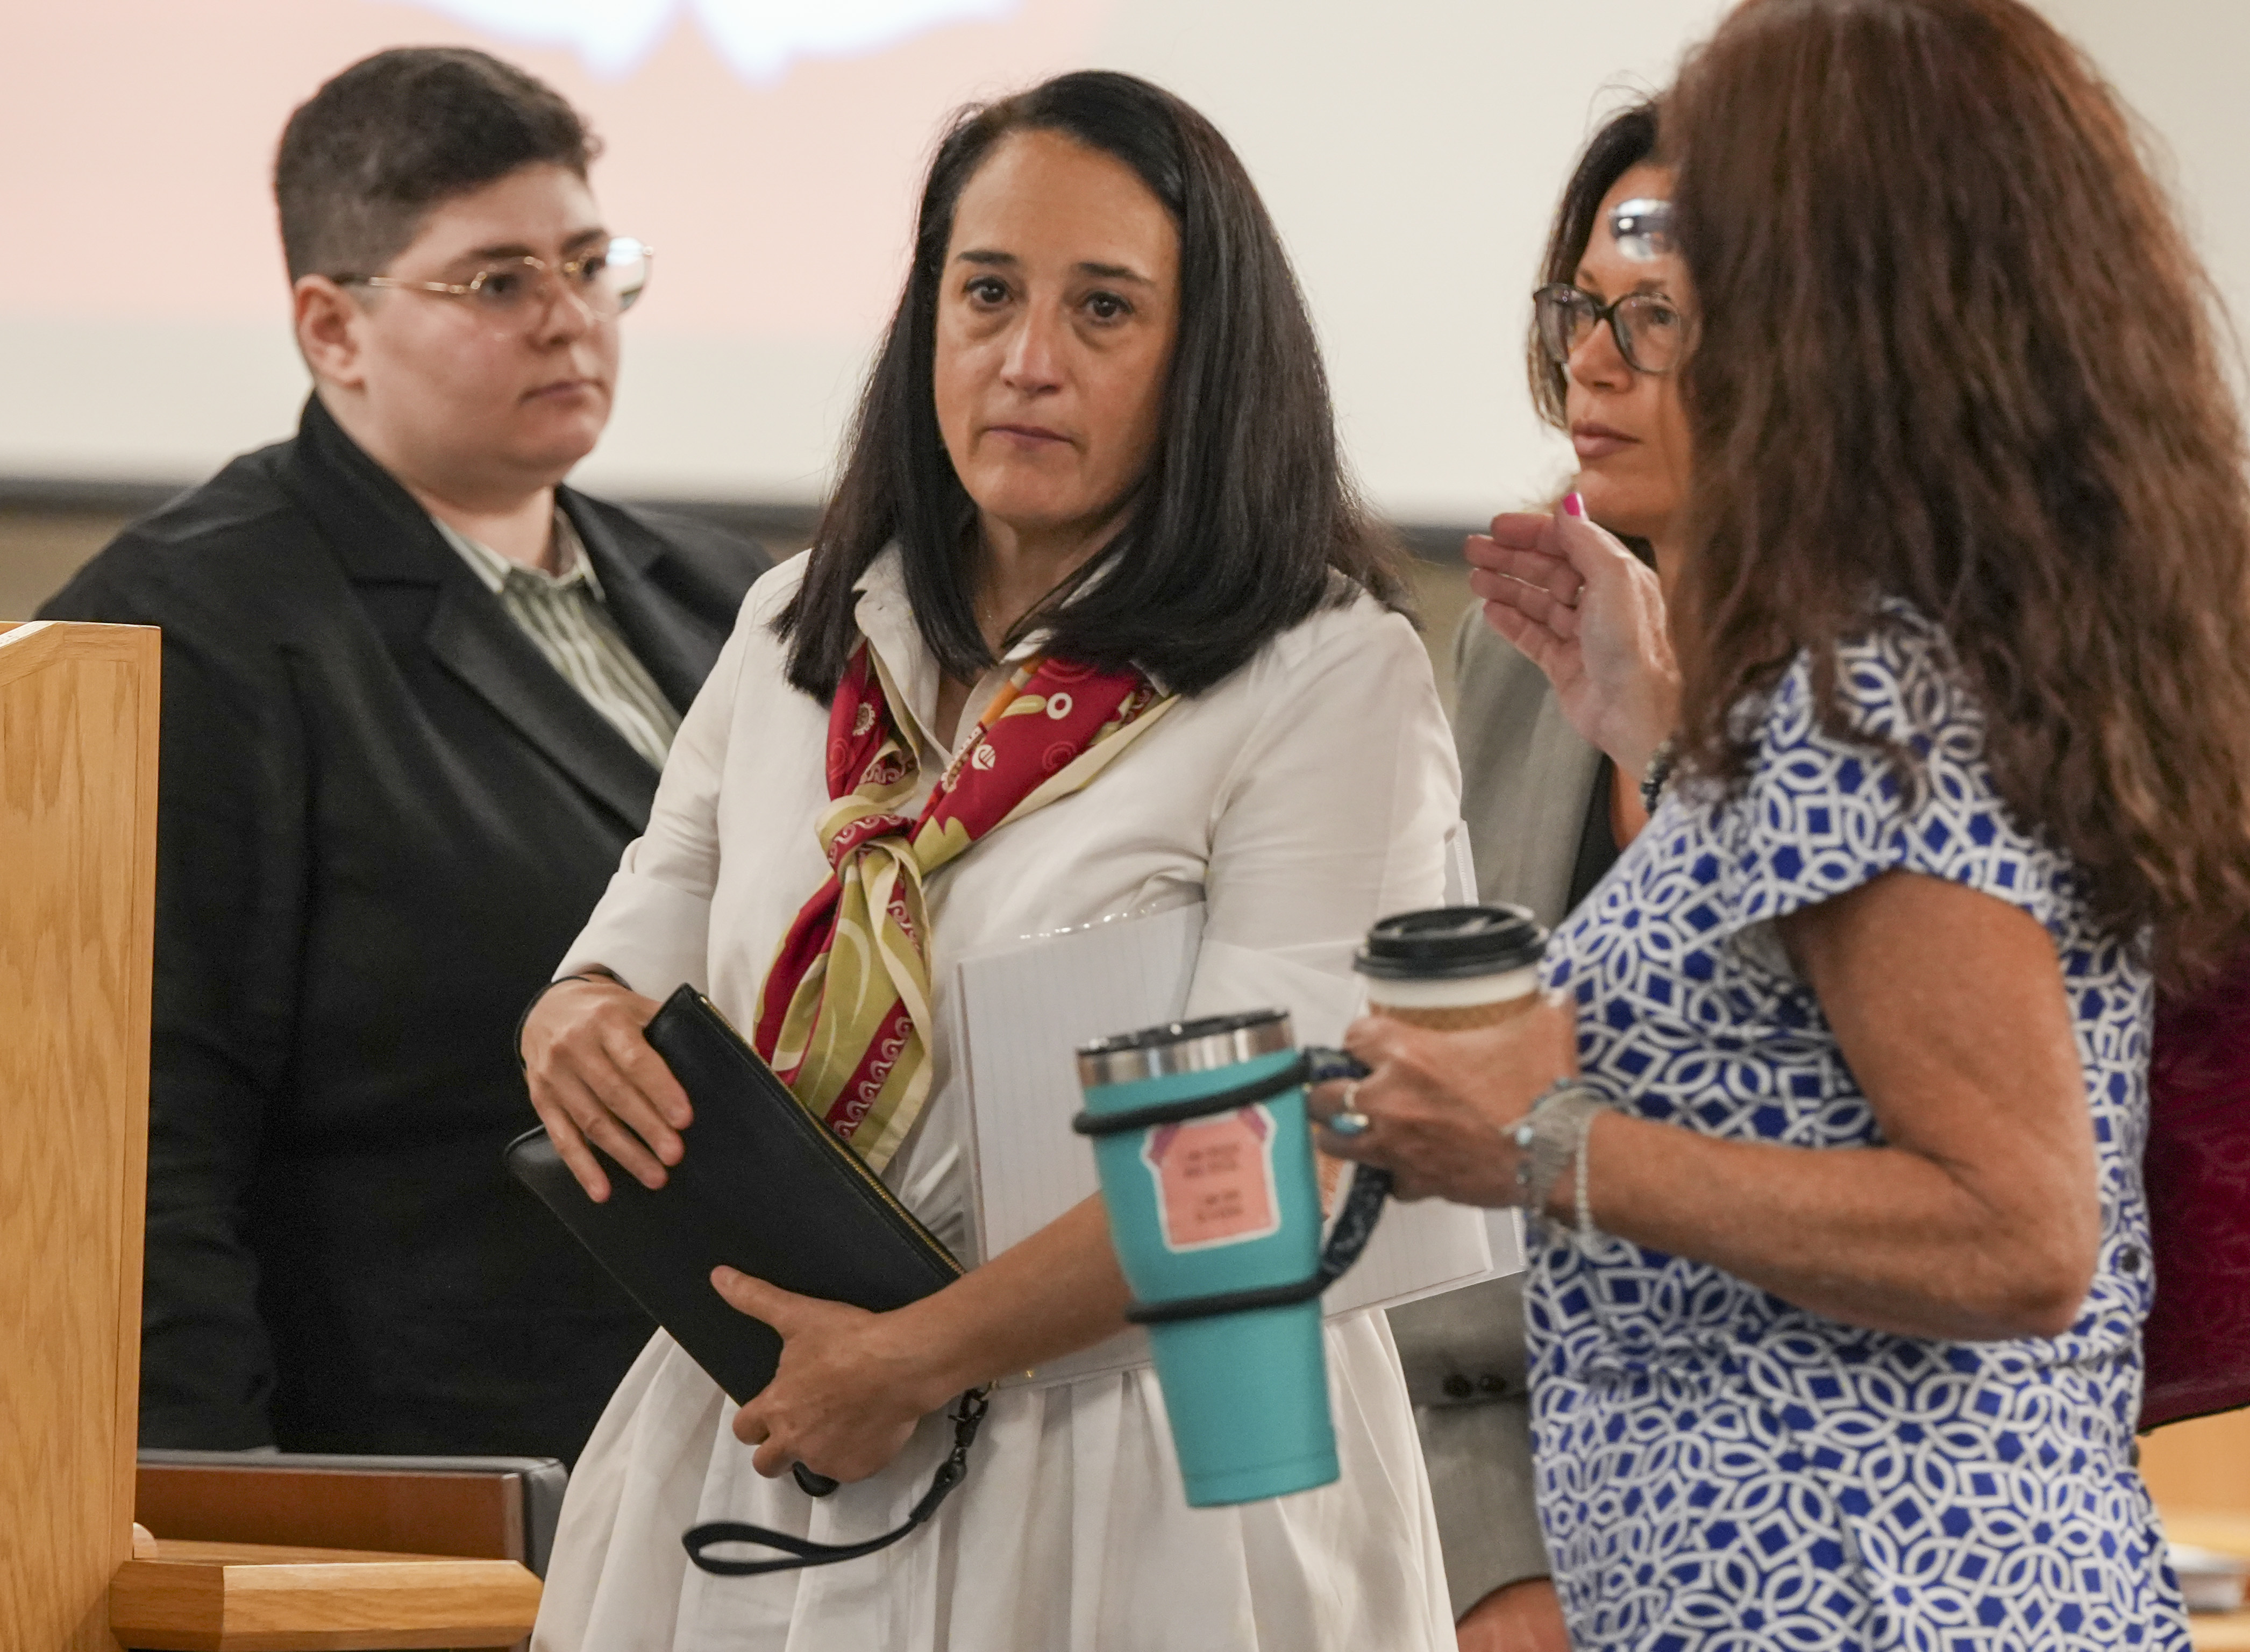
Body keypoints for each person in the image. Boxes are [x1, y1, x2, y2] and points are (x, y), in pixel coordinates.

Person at [1318, 0, 2250, 1644]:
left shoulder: (1863, 678)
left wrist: (1541, 1144)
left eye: (1689, 285)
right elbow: (1821, 1047)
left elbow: (2016, 1232)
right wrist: (1668, 743)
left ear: (1831, 299)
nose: (1606, 357)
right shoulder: (1897, 658)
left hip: (1874, 1601)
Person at [521, 70, 1464, 1652]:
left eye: (1105, 309)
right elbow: (639, 938)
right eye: (987, 294)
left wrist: (914, 1357)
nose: (1028, 360)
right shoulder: (797, 628)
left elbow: (1281, 1157)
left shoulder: (1322, 675)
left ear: (1205, 359)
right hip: (787, 1421)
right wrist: (575, 1023)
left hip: (1155, 1459)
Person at [39, 48, 768, 1463]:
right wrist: (203, 1525)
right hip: (436, 1483)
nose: (572, 321)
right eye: (499, 282)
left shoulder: (729, 594)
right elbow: (134, 1154)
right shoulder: (187, 632)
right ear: (331, 328)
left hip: (763, 1451)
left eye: (588, 262)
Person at [1386, 100, 1674, 1652]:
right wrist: (1496, 1568)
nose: (1592, 366)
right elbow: (1435, 1205)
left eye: (1659, 319)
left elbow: (2010, 1241)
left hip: (1842, 1538)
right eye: (1579, 312)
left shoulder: (1954, 680)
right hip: (1533, 1561)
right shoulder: (1521, 634)